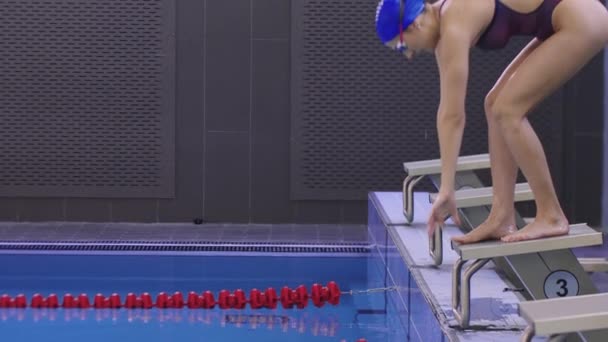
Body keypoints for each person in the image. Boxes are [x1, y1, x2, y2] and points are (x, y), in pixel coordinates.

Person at [375, 0, 608, 243]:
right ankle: (501, 216)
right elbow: (448, 112)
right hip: (561, 20)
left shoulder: (453, 24)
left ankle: (551, 214)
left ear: (414, 26)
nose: (410, 55)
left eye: (402, 48)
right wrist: (447, 185)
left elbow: (452, 116)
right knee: (495, 103)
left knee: (508, 109)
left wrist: (447, 188)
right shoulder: (447, 23)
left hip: (581, 20)